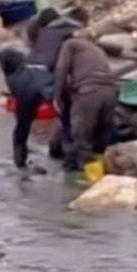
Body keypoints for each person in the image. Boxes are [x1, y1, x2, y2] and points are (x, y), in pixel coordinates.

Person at [5, 7, 90, 168]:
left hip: (23, 75)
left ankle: (20, 168)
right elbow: (65, 64)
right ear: (83, 23)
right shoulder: (75, 31)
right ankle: (71, 167)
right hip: (44, 78)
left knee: (23, 126)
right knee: (67, 116)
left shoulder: (47, 31)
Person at [53, 28, 119, 173]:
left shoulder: (71, 44)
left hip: (89, 93)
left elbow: (61, 69)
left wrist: (56, 96)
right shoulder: (98, 50)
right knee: (100, 140)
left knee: (81, 141)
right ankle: (100, 175)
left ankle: (80, 184)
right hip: (111, 93)